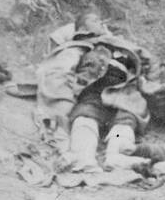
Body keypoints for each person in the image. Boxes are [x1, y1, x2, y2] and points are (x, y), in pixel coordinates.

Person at [33, 12, 155, 172]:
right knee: (86, 116)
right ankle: (83, 157)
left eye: (100, 20)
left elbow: (144, 61)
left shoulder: (120, 45)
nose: (101, 22)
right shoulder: (78, 47)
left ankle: (116, 155)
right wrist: (62, 106)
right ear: (82, 28)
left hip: (124, 91)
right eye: (94, 20)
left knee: (126, 120)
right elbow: (60, 71)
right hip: (94, 89)